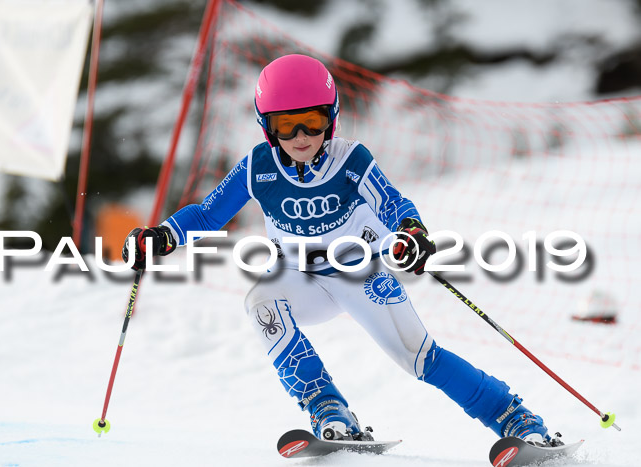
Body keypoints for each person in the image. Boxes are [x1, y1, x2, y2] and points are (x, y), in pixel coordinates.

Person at [122, 54, 559, 446]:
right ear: (266, 126)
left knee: (419, 358)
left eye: (310, 121)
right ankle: (328, 409)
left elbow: (393, 205)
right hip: (299, 279)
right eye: (283, 124)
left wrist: (412, 233)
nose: (299, 135)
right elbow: (205, 216)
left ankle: (515, 418)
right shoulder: (258, 167)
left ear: (330, 119)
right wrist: (160, 236)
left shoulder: (351, 160)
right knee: (261, 300)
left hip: (360, 274)